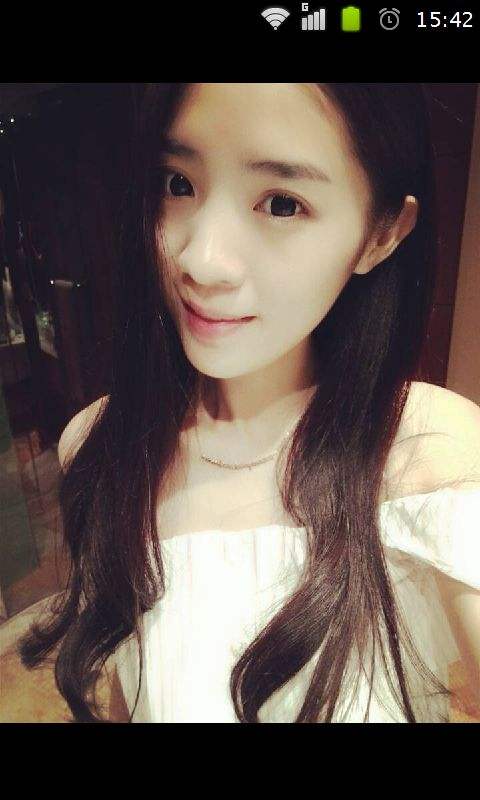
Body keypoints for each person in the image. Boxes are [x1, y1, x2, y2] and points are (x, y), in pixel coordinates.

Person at [18, 83, 480, 723]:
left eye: (282, 203)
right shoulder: (100, 444)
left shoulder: (430, 452)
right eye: (179, 184)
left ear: (382, 235)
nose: (200, 260)